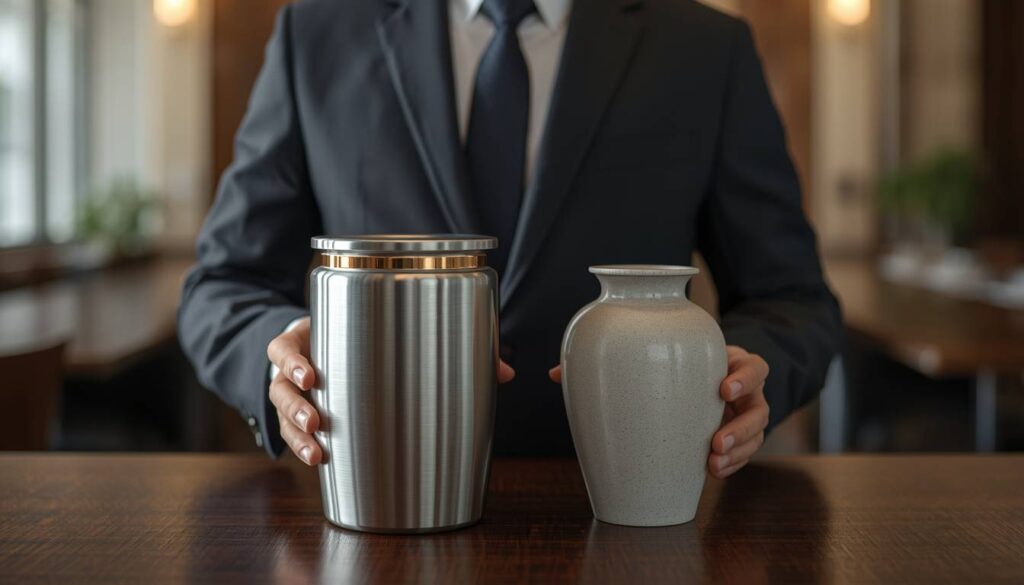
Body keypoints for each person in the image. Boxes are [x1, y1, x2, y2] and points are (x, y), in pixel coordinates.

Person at [178, 0, 842, 479]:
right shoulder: (316, 35)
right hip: (376, 509)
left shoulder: (705, 50)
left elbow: (793, 299)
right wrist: (280, 365)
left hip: (627, 517)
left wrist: (743, 378)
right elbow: (223, 286)